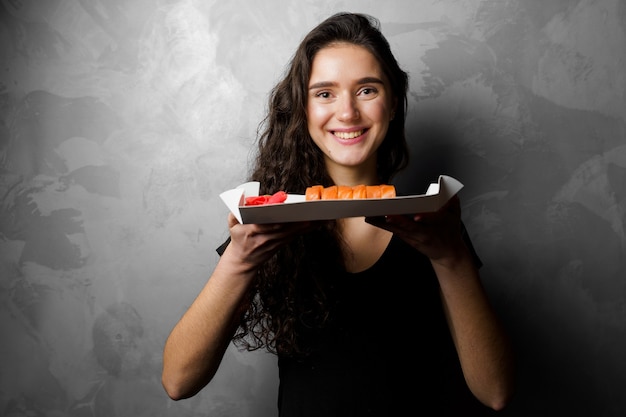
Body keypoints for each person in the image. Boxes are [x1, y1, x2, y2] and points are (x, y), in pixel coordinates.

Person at [162, 12, 515, 416]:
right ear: (303, 108)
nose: (347, 113)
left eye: (367, 90)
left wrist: (451, 257)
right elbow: (178, 380)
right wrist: (240, 261)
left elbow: (496, 392)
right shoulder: (268, 225)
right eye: (325, 93)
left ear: (394, 102)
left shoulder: (434, 225)